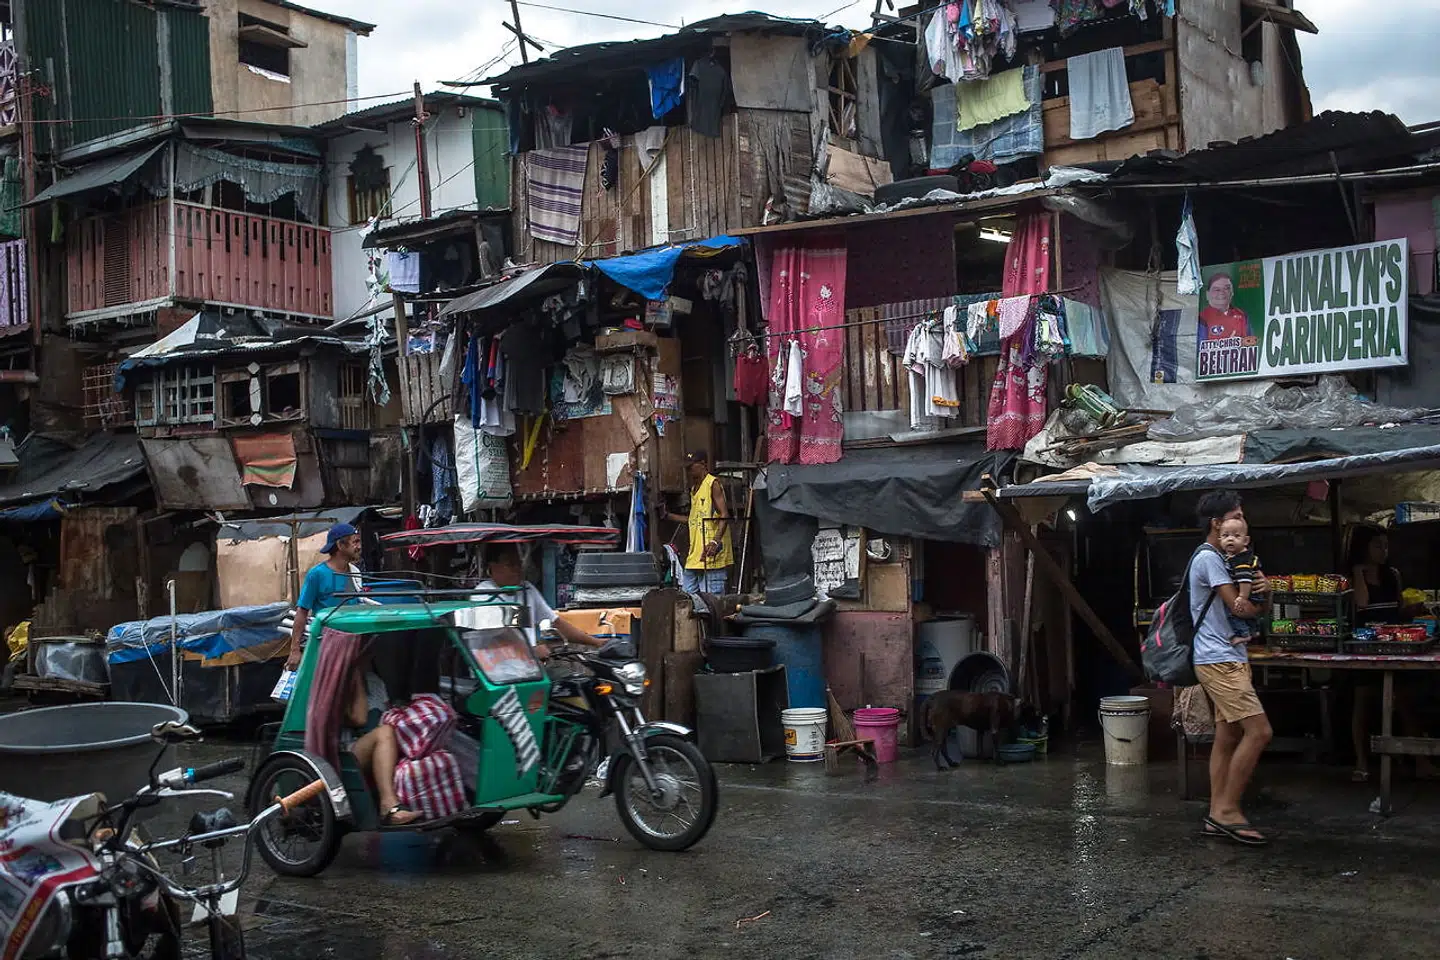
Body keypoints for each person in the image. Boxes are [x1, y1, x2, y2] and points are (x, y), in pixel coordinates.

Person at [1191, 490, 1273, 846]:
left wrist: (1265, 590)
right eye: (1235, 516)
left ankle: (1216, 813)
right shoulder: (1209, 559)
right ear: (1216, 524)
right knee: (1260, 732)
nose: (1242, 522)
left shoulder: (1231, 558)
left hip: (1229, 656)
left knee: (1227, 737)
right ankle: (1227, 810)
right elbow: (1240, 609)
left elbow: (1253, 602)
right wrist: (1259, 598)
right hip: (1218, 659)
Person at [1347, 526, 1435, 781]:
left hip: (1394, 642)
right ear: (1363, 548)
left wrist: (1416, 608)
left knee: (1405, 702)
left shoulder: (1393, 574)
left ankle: (1421, 761)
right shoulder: (1354, 576)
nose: (1383, 551)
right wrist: (1358, 573)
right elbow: (1362, 604)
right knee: (1362, 702)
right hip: (1365, 646)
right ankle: (1361, 763)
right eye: (1377, 546)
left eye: (1386, 546)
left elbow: (1399, 610)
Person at [476, 543, 604, 657]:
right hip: (497, 672)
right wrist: (530, 651)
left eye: (519, 563)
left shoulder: (527, 589)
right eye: (510, 564)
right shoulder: (482, 595)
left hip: (530, 668)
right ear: (492, 567)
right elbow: (497, 636)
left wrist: (597, 642)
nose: (517, 569)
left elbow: (556, 623)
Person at [344, 649, 419, 826]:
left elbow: (387, 711)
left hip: (380, 742)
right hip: (348, 749)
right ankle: (388, 804)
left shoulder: (374, 681)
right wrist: (354, 674)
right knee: (385, 732)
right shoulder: (342, 682)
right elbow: (359, 718)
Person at [286, 523, 364, 671]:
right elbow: (302, 612)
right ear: (340, 545)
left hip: (352, 645)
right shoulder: (317, 574)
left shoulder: (355, 572)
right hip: (326, 646)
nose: (359, 546)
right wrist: (295, 650)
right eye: (355, 541)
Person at [667, 451, 733, 595]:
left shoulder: (712, 484)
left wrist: (715, 542)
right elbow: (693, 520)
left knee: (711, 604)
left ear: (703, 464)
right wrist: (668, 516)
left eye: (692, 467)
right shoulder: (694, 490)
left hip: (711, 554)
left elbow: (724, 514)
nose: (689, 471)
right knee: (687, 600)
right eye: (687, 468)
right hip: (695, 556)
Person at [1216, 516, 1264, 645]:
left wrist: (1242, 597)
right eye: (1225, 536)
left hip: (1249, 593)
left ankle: (1243, 634)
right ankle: (1254, 631)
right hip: (1254, 595)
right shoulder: (1237, 556)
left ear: (1245, 540)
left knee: (1232, 611)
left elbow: (1245, 579)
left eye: (1236, 536)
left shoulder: (1240, 560)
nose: (1230, 539)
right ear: (1220, 539)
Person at [1199, 272, 1250, 342]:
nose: (1222, 292)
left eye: (1226, 288)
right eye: (1217, 289)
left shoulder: (1242, 315)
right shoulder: (1202, 318)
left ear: (1232, 292)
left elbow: (1251, 343)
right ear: (1207, 295)